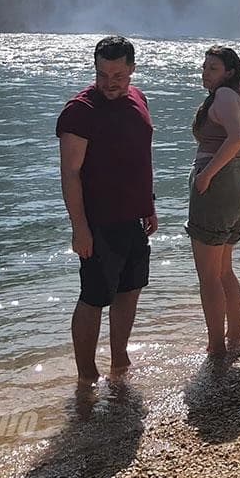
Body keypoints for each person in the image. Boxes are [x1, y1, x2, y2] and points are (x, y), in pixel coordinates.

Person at [56, 36, 158, 383]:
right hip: (98, 222)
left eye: (117, 75)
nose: (109, 83)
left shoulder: (139, 98)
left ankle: (119, 364)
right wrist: (79, 228)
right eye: (102, 75)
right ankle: (87, 376)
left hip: (133, 217)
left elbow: (141, 157)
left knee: (130, 290)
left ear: (131, 69)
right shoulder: (80, 111)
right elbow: (69, 173)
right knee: (94, 297)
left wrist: (149, 204)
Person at [188, 46, 240, 359]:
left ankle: (216, 347)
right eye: (204, 67)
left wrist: (207, 177)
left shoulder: (225, 96)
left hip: (216, 188)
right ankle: (235, 337)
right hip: (234, 186)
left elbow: (236, 140)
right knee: (224, 270)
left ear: (229, 71)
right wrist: (237, 180)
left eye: (213, 68)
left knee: (209, 277)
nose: (205, 73)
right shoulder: (236, 95)